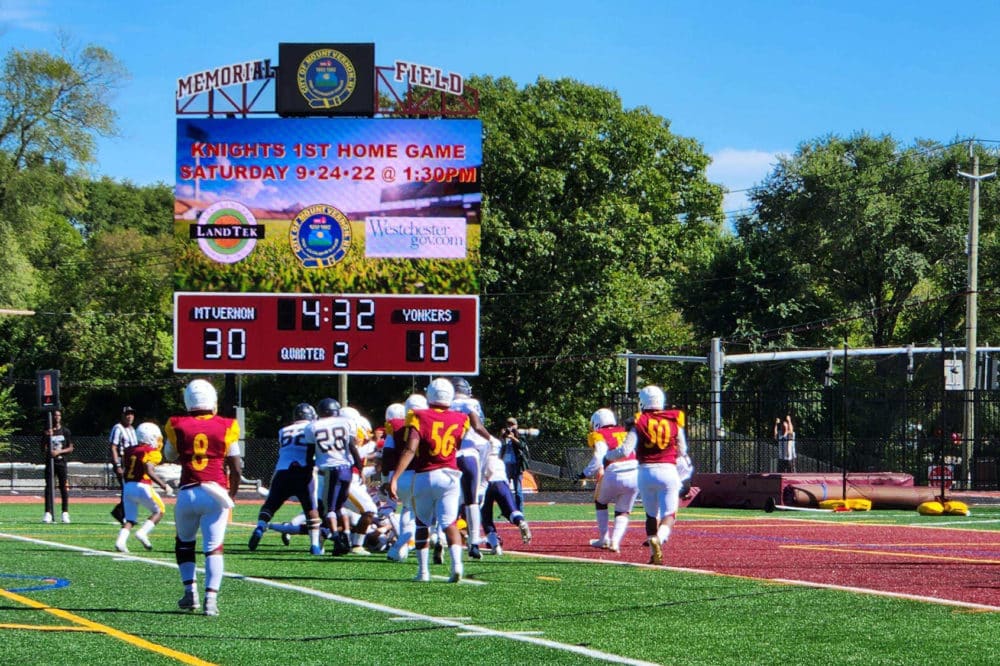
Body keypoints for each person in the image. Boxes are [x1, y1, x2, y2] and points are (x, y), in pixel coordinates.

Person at [163, 379, 242, 617]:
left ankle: (190, 593)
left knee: (184, 544)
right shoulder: (227, 425)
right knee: (213, 547)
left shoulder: (177, 424)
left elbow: (169, 454)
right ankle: (211, 600)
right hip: (215, 491)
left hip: (188, 491)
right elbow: (236, 466)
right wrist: (233, 492)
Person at [389, 378, 468, 583]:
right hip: (450, 475)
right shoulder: (461, 418)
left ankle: (423, 572)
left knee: (422, 523)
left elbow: (410, 448)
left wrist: (395, 477)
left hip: (425, 474)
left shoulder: (419, 416)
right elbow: (457, 443)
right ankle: (457, 565)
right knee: (449, 522)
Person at [605, 385, 685, 565]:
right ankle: (661, 537)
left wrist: (608, 456)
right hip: (668, 470)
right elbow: (683, 449)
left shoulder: (639, 421)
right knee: (669, 514)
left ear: (642, 402)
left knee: (651, 515)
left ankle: (653, 553)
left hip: (645, 472)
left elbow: (625, 450)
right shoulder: (673, 421)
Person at [248, 403, 324, 555]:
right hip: (303, 470)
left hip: (282, 470)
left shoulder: (283, 431)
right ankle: (315, 545)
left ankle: (260, 527)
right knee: (311, 509)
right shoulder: (314, 427)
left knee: (270, 505)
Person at [304, 398, 363, 556]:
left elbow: (309, 454)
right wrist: (360, 467)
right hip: (347, 469)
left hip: (331, 469)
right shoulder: (346, 423)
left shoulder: (312, 426)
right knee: (340, 507)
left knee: (329, 509)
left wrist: (308, 469)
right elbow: (351, 446)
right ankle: (347, 538)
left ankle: (337, 538)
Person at [448, 377, 498, 561]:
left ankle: (439, 539)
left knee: (447, 499)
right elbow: (477, 426)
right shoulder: (470, 403)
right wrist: (492, 439)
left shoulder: (442, 406)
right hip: (470, 454)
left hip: (449, 455)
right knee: (472, 501)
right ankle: (474, 543)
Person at [580, 408, 638, 553]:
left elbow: (600, 455)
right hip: (635, 472)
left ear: (597, 423)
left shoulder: (598, 434)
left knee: (601, 502)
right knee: (623, 511)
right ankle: (615, 542)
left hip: (614, 471)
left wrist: (585, 473)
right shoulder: (626, 431)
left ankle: (604, 538)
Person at [115, 422, 172, 552]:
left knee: (130, 519)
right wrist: (164, 486)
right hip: (142, 485)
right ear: (150, 437)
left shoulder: (129, 450)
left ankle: (120, 542)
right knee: (160, 510)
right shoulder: (151, 452)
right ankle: (143, 533)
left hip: (128, 486)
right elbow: (149, 470)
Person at [480, 432, 532, 555]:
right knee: (510, 510)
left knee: (486, 516)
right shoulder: (500, 462)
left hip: (487, 485)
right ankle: (520, 521)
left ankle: (495, 545)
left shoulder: (481, 459)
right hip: (502, 484)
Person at [41, 410, 74, 524]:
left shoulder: (65, 431)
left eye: (59, 415)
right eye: (55, 415)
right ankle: (48, 512)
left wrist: (59, 452)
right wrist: (46, 437)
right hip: (50, 463)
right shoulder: (47, 432)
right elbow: (42, 448)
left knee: (63, 487)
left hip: (61, 462)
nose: (57, 417)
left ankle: (65, 512)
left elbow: (70, 448)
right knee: (49, 487)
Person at [109, 406, 138, 524]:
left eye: (131, 414)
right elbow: (113, 446)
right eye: (127, 414)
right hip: (122, 461)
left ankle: (122, 512)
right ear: (122, 415)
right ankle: (121, 513)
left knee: (130, 490)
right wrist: (117, 464)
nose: (129, 416)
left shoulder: (132, 429)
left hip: (131, 462)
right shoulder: (118, 428)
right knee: (127, 489)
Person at [500, 417, 529, 511]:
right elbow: (500, 448)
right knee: (505, 489)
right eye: (508, 425)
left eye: (512, 425)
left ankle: (519, 511)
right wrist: (502, 437)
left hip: (516, 465)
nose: (510, 427)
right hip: (506, 465)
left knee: (518, 491)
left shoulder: (519, 435)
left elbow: (522, 445)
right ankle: (508, 510)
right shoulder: (504, 436)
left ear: (516, 426)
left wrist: (513, 438)